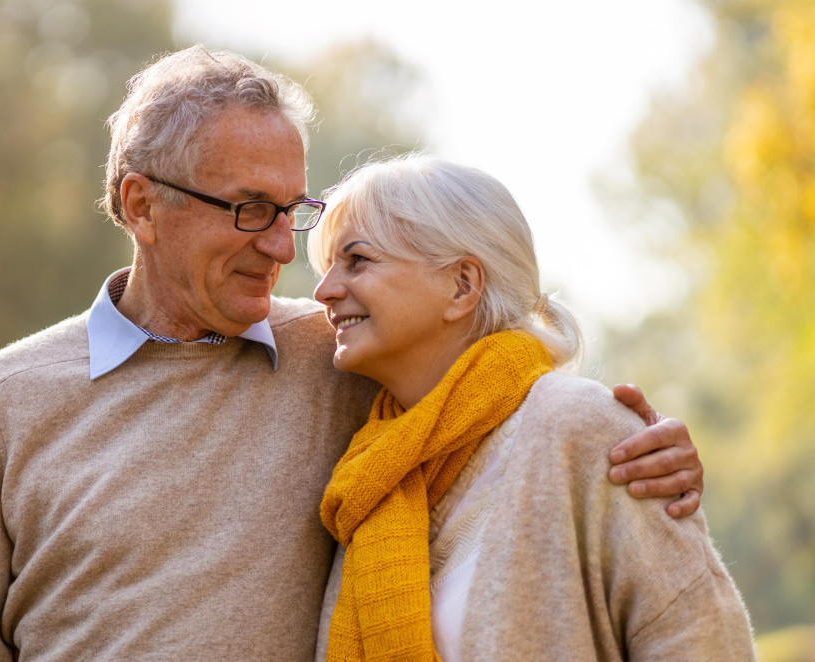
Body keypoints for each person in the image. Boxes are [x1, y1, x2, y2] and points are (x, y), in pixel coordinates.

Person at [0, 47, 705, 661]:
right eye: (249, 209)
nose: (285, 248)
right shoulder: (5, 399)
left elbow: (492, 392)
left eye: (294, 209)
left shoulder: (343, 357)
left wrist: (643, 456)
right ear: (142, 205)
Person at [309, 155, 753, 661]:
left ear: (462, 286)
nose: (324, 291)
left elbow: (700, 638)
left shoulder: (579, 427)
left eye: (358, 260)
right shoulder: (369, 476)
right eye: (327, 269)